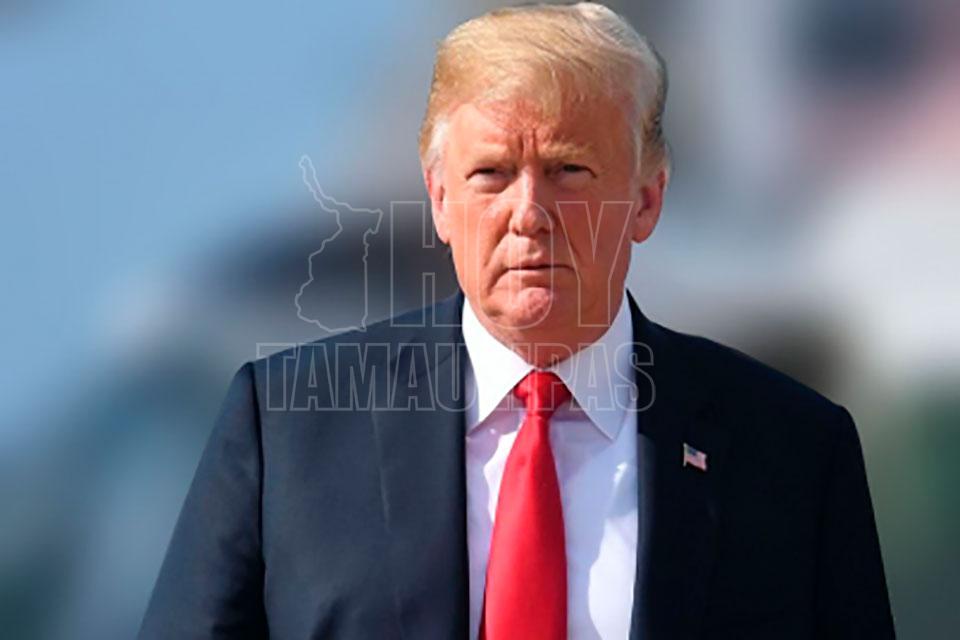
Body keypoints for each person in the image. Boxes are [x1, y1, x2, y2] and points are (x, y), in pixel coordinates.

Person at [139, 4, 895, 639]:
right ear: (439, 200)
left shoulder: (794, 451)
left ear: (647, 199)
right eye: (491, 174)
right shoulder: (287, 432)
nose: (528, 214)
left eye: (569, 170)